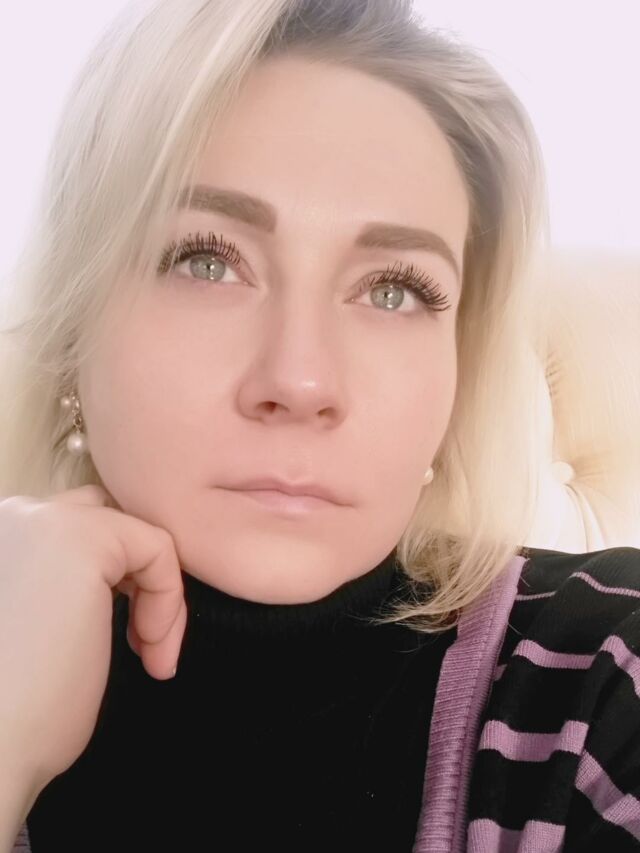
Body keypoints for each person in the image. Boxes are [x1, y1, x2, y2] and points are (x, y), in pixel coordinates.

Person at [0, 0, 638, 850]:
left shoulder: (605, 670)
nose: (301, 382)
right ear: (75, 333)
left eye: (394, 290)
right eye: (207, 261)